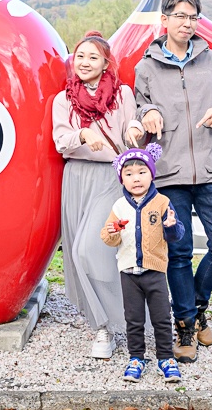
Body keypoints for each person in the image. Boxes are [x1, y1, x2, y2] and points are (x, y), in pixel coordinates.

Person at [133, 0, 212, 363]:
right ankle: (185, 326)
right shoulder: (146, 67)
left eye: (193, 17)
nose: (187, 23)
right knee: (179, 252)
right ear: (164, 20)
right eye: (180, 16)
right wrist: (147, 113)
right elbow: (138, 108)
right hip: (170, 173)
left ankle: (195, 306)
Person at [52, 30, 144, 358]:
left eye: (93, 57)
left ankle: (123, 319)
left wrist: (135, 129)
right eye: (80, 56)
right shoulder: (63, 99)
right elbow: (60, 141)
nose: (85, 62)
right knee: (80, 256)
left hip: (110, 177)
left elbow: (130, 127)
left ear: (106, 63)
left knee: (89, 250)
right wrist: (82, 134)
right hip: (76, 179)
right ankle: (103, 328)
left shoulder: (122, 94)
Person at [101, 143, 185, 383]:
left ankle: (165, 358)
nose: (136, 178)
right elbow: (108, 237)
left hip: (155, 271)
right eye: (128, 174)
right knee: (133, 318)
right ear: (122, 179)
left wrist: (171, 226)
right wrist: (112, 232)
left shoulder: (162, 202)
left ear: (151, 174)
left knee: (161, 317)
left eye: (141, 172)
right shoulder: (119, 206)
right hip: (128, 273)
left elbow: (176, 234)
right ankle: (136, 358)